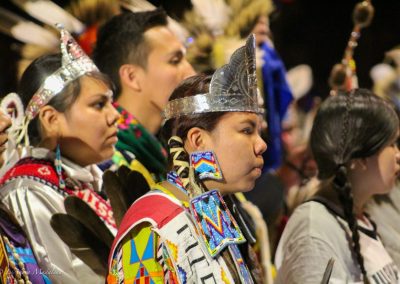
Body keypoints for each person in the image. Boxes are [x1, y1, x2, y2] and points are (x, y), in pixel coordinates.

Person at [107, 35, 270, 283]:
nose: (261, 145)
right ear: (197, 141)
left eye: (258, 132)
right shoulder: (152, 229)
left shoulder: (217, 211)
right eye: (247, 130)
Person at [0, 27, 120, 283]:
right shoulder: (29, 192)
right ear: (52, 119)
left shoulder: (92, 178)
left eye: (111, 102)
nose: (115, 115)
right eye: (99, 105)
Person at [275, 88, 400, 283]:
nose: (398, 155)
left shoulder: (360, 219)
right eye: (391, 144)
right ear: (359, 157)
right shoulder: (314, 229)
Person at [93, 9, 195, 184]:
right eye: (175, 60)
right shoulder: (107, 166)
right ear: (132, 77)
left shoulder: (171, 145)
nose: (191, 72)